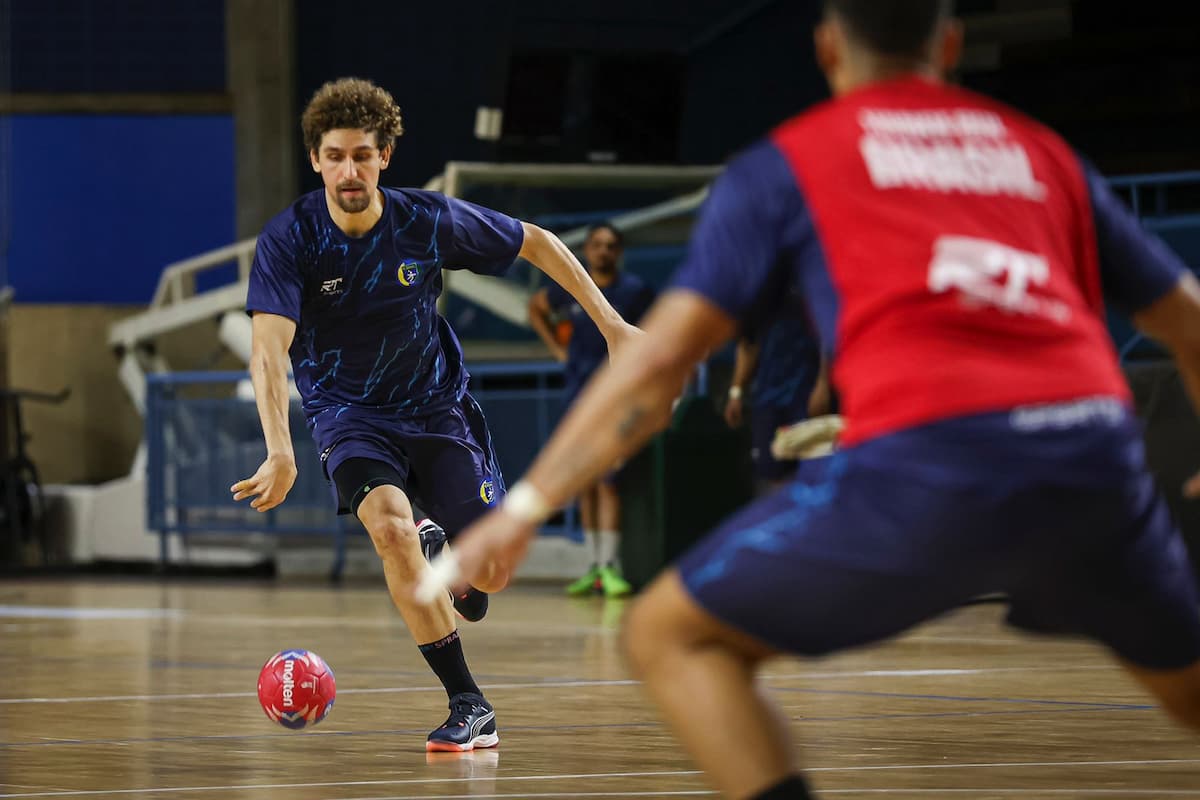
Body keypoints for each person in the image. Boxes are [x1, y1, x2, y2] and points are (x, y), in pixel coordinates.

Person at [428, 0, 1200, 795]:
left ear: (828, 48)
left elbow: (658, 369)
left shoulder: (789, 164)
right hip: (1096, 455)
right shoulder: (1042, 154)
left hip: (931, 463)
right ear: (953, 44)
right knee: (1188, 694)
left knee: (666, 635)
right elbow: (1189, 322)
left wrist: (525, 508)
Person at [231, 77, 639, 753]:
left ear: (385, 155)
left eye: (362, 155)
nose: (349, 170)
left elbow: (535, 243)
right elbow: (268, 351)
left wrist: (615, 327)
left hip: (438, 411)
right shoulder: (291, 241)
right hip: (349, 416)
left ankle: (448, 554)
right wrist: (281, 449)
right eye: (335, 156)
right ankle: (468, 704)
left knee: (490, 577)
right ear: (316, 160)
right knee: (390, 532)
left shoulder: (424, 221)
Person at [528, 222, 656, 597]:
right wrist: (558, 349)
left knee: (610, 481)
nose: (603, 251)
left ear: (618, 252)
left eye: (610, 245)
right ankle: (591, 567)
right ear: (586, 250)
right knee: (584, 481)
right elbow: (537, 307)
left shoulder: (634, 292)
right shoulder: (570, 286)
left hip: (616, 396)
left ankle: (610, 566)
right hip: (577, 395)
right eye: (597, 245)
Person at [723, 289, 824, 493]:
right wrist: (736, 392)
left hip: (806, 395)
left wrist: (823, 385)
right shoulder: (757, 296)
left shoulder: (809, 285)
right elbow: (748, 345)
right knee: (771, 474)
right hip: (767, 401)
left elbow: (827, 340)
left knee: (813, 473)